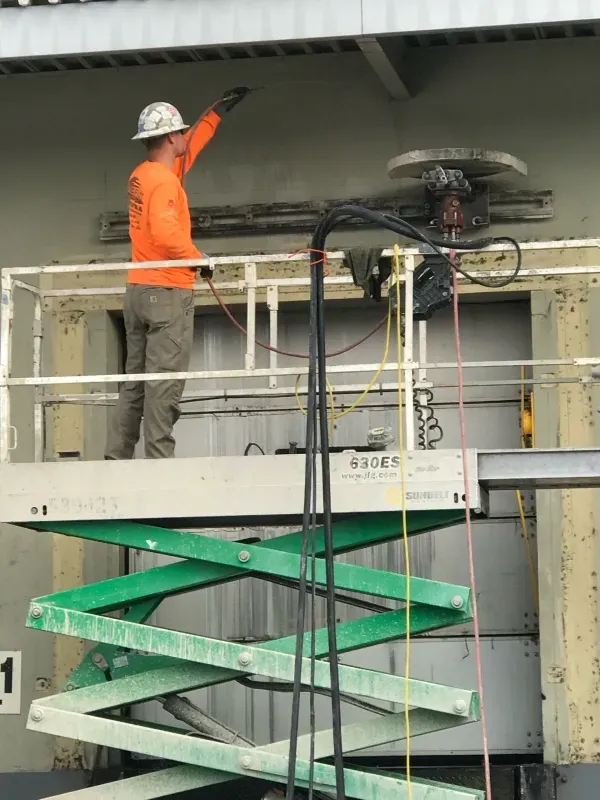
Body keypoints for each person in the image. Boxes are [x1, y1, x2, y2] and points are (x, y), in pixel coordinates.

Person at [105, 88, 250, 460]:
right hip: (167, 292)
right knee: (163, 384)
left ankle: (116, 458)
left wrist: (215, 113)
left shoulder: (143, 175)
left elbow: (191, 148)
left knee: (134, 383)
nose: (186, 137)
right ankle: (159, 466)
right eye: (181, 133)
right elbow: (167, 234)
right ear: (171, 137)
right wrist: (199, 259)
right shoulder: (166, 183)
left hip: (138, 290)